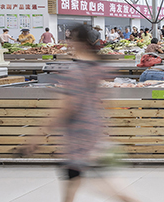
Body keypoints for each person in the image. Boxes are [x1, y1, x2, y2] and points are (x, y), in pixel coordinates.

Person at [22, 24, 141, 202]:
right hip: (92, 132)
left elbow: (66, 108)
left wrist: (38, 135)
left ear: (80, 43)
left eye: (70, 39)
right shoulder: (96, 67)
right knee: (78, 184)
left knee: (98, 186)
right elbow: (104, 101)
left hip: (79, 139)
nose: (68, 42)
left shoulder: (76, 72)